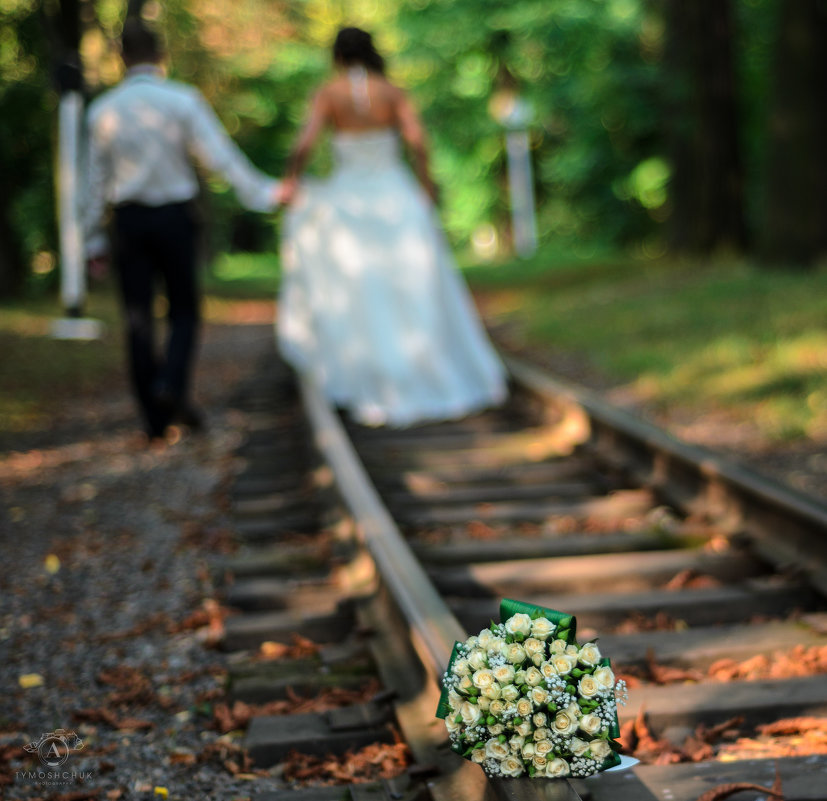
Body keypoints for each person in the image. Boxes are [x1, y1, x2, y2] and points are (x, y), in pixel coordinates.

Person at [278, 27, 508, 427]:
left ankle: (368, 380)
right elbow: (418, 141)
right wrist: (427, 185)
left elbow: (304, 144)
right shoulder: (392, 92)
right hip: (394, 195)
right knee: (412, 288)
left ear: (337, 55)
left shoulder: (329, 94)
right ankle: (423, 371)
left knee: (359, 292)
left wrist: (291, 179)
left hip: (348, 202)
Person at [83, 19, 281, 441]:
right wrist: (264, 194)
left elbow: (94, 182)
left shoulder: (102, 111)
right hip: (174, 218)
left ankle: (154, 422)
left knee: (137, 319)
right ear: (160, 56)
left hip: (129, 221)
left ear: (121, 58)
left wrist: (92, 238)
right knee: (184, 311)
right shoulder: (182, 100)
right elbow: (219, 157)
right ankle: (171, 384)